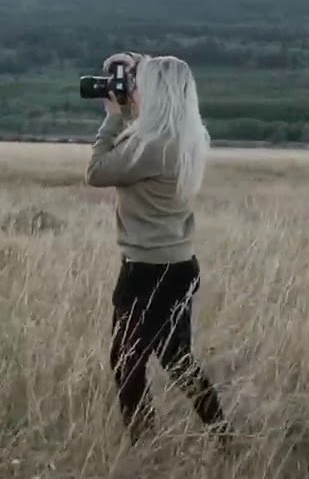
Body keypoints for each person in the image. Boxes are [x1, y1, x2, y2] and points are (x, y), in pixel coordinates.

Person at [85, 52, 229, 445]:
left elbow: (97, 172)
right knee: (178, 361)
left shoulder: (153, 146)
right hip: (177, 265)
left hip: (147, 270)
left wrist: (113, 116)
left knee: (126, 363)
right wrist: (137, 63)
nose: (133, 91)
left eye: (140, 85)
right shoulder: (184, 138)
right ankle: (225, 440)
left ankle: (145, 449)